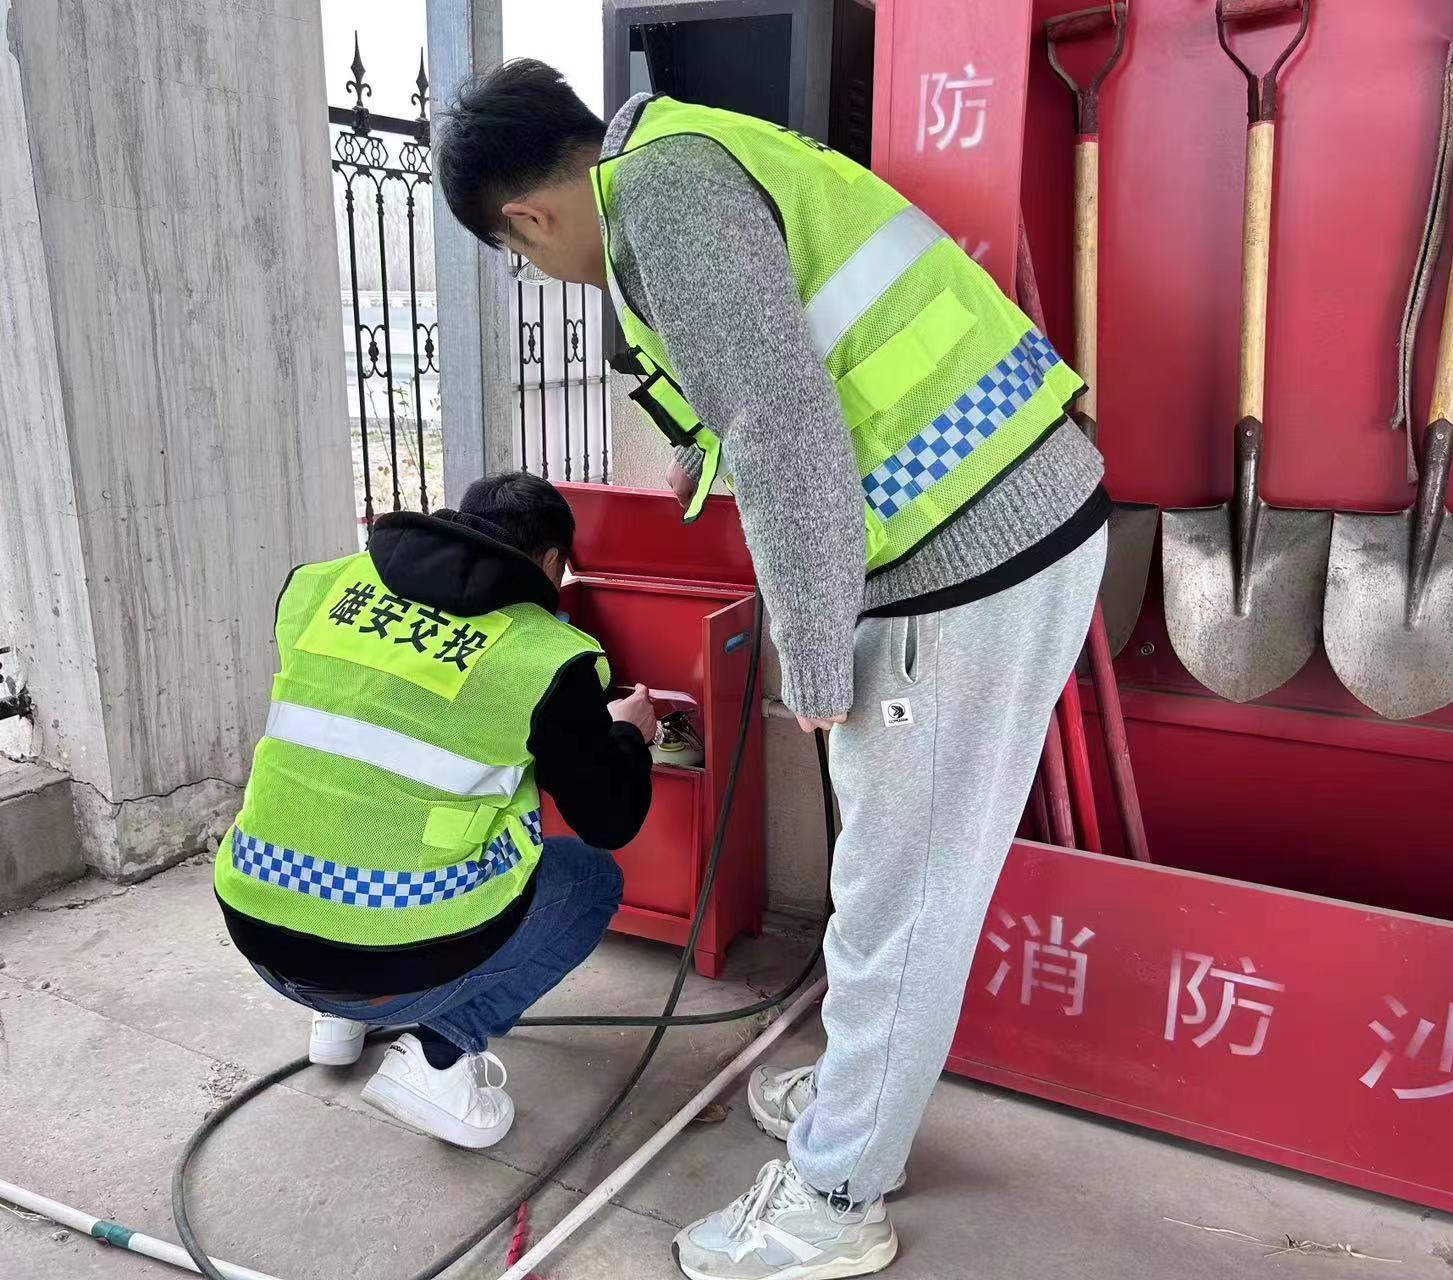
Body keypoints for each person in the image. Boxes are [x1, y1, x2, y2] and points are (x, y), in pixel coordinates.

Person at [435, 62, 1110, 1278]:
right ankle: (861, 1098)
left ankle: (838, 1191)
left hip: (968, 555)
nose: (539, 270)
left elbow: (783, 420)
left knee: (901, 898)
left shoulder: (666, 201)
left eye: (520, 255)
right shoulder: (687, 151)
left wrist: (810, 655)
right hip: (995, 522)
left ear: (527, 217)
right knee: (891, 882)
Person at [214, 472, 656, 1150]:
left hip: (260, 930)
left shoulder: (318, 585)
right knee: (590, 880)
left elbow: (369, 728)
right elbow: (610, 819)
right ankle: (440, 1057)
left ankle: (340, 1028)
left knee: (353, 806)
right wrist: (627, 732)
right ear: (548, 562)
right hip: (385, 970)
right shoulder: (544, 655)